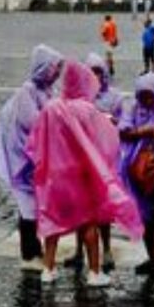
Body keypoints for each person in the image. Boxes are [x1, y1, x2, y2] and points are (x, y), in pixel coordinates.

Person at [26, 61, 143, 287]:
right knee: (88, 222)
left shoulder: (51, 107)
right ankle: (94, 272)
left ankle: (48, 269)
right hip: (81, 174)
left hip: (55, 175)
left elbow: (36, 139)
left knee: (52, 221)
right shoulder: (87, 109)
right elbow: (105, 140)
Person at [0, 44, 64, 270]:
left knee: (35, 204)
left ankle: (34, 248)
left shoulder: (45, 91)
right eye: (55, 68)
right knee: (27, 206)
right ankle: (29, 252)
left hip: (37, 159)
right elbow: (32, 122)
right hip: (23, 160)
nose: (58, 73)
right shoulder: (27, 91)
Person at [61, 53, 124, 274]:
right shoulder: (79, 97)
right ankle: (79, 250)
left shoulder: (113, 98)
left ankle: (106, 249)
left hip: (104, 160)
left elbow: (122, 125)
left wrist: (111, 122)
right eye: (91, 71)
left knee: (103, 209)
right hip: (80, 159)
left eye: (98, 71)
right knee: (79, 208)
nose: (95, 75)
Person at [118, 73, 154, 281]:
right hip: (136, 171)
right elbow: (122, 131)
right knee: (145, 219)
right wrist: (144, 131)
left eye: (150, 95)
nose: (147, 100)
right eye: (142, 96)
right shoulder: (133, 107)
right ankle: (153, 259)